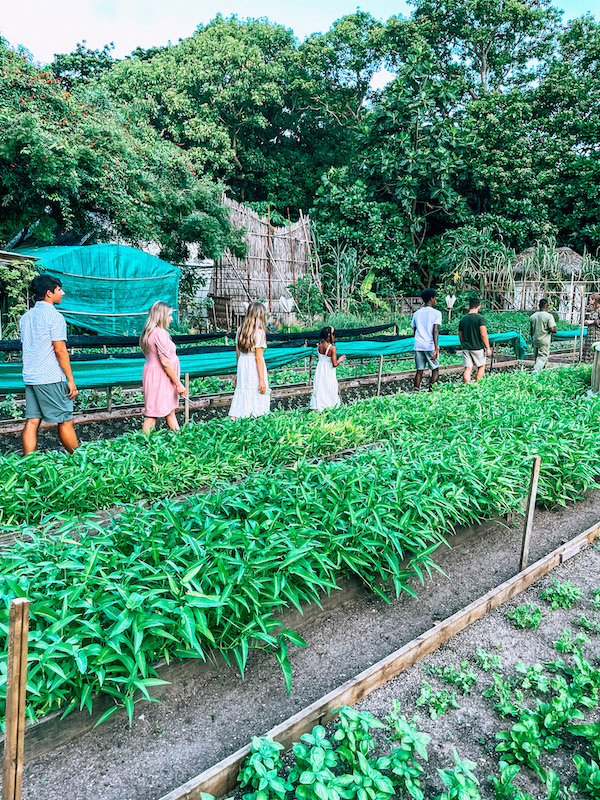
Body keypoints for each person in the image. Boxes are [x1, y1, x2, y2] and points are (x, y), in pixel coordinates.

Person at [20, 275, 79, 455]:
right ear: (48, 293)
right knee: (65, 420)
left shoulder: (25, 317)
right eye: (59, 289)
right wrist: (70, 379)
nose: (63, 293)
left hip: (31, 377)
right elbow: (60, 351)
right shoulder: (55, 317)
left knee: (32, 421)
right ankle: (81, 461)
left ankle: (28, 464)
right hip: (50, 377)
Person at [140, 301, 186, 433]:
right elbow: (165, 362)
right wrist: (178, 383)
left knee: (169, 410)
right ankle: (144, 445)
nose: (171, 319)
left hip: (156, 375)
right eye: (170, 315)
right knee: (152, 414)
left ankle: (180, 438)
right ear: (161, 316)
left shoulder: (149, 332)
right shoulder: (160, 333)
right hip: (160, 376)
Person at [229, 301, 270, 421]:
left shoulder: (240, 330)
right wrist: (262, 380)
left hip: (243, 365)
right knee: (259, 391)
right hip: (253, 366)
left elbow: (238, 354)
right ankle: (256, 419)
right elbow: (259, 358)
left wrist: (238, 373)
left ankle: (235, 418)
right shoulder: (259, 333)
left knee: (242, 392)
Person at [309, 326, 347, 411]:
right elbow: (334, 364)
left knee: (320, 387)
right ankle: (329, 405)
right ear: (329, 336)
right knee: (329, 386)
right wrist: (340, 360)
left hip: (320, 369)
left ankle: (318, 405)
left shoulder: (319, 346)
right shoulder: (332, 348)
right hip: (329, 370)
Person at [412, 289, 442, 390]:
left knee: (419, 370)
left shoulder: (417, 313)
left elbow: (414, 330)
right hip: (429, 345)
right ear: (432, 298)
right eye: (435, 298)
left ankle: (416, 390)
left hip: (418, 345)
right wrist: (436, 348)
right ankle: (431, 390)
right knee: (435, 369)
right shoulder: (436, 313)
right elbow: (435, 331)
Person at [458, 298, 492, 383]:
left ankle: (467, 387)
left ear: (468, 306)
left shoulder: (463, 319)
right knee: (481, 366)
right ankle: (477, 385)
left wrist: (463, 344)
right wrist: (488, 348)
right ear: (479, 307)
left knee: (468, 368)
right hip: (478, 347)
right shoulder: (480, 318)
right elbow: (483, 334)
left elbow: (460, 334)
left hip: (466, 347)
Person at [529, 298, 556, 371]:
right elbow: (552, 329)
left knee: (536, 356)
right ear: (546, 306)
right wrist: (554, 331)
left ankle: (542, 372)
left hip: (535, 339)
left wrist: (532, 339)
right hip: (544, 340)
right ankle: (535, 372)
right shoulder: (549, 316)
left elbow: (531, 330)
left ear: (539, 305)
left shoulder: (533, 316)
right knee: (542, 357)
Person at [583, 293, 600, 363]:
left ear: (594, 300)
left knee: (595, 348)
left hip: (597, 333)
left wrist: (593, 321)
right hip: (590, 333)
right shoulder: (593, 309)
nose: (589, 301)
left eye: (590, 300)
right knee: (588, 349)